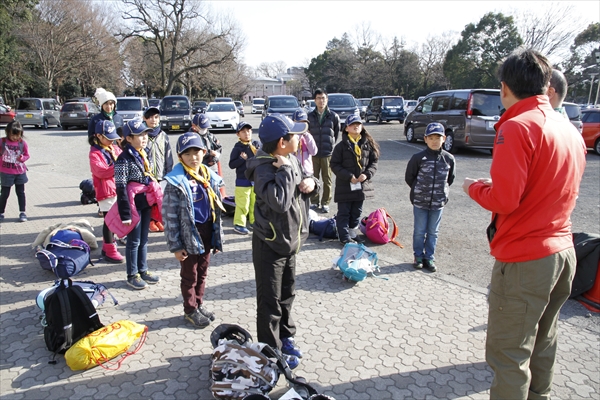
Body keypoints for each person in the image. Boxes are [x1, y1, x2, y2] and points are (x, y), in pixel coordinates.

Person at [462, 49, 586, 400]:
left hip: (526, 259)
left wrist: (473, 187)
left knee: (508, 353)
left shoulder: (517, 127)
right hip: (562, 251)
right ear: (547, 85)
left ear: (504, 88)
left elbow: (504, 199)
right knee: (543, 340)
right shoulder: (568, 128)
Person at [245, 113, 320, 370]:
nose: (300, 138)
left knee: (287, 294)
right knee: (270, 302)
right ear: (282, 141)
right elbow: (279, 202)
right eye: (295, 135)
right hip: (270, 244)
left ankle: (285, 337)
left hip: (291, 241)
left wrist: (313, 182)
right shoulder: (264, 167)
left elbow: (303, 186)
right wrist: (288, 171)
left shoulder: (288, 160)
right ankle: (270, 352)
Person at [163, 132, 224, 328]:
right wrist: (175, 245)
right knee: (190, 275)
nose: (193, 157)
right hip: (188, 233)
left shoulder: (208, 175)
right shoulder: (175, 182)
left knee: (203, 272)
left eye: (196, 152)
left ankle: (198, 303)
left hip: (207, 230)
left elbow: (216, 208)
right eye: (187, 154)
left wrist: (216, 237)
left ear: (204, 152)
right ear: (180, 157)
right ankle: (189, 309)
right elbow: (170, 215)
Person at [114, 120, 163, 290]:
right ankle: (132, 274)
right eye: (140, 135)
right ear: (128, 138)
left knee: (144, 239)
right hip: (133, 206)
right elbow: (120, 187)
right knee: (133, 241)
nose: (144, 138)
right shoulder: (123, 158)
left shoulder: (144, 153)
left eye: (145, 134)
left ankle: (143, 270)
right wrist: (125, 214)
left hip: (146, 203)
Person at [405, 122, 455, 272]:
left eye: (438, 138)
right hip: (420, 202)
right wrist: (419, 191)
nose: (434, 141)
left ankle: (429, 257)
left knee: (433, 232)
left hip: (438, 203)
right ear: (425, 139)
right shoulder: (418, 158)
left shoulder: (448, 159)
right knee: (420, 231)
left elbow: (450, 179)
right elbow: (410, 177)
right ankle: (418, 256)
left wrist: (442, 194)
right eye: (431, 138)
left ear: (444, 139)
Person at [330, 115, 379, 244]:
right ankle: (344, 236)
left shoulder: (368, 145)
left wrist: (367, 174)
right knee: (344, 211)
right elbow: (334, 165)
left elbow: (374, 163)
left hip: (361, 186)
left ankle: (353, 233)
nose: (356, 126)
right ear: (346, 128)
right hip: (345, 185)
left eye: (358, 124)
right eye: (352, 124)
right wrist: (349, 176)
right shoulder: (340, 146)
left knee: (356, 211)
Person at [89, 120, 124, 263]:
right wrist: (119, 167)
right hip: (105, 191)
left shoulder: (114, 148)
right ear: (98, 136)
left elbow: (123, 157)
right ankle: (110, 250)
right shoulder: (95, 153)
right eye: (108, 138)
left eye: (112, 138)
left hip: (116, 189)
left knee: (115, 219)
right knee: (109, 222)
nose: (111, 141)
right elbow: (101, 171)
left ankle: (108, 245)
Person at [307, 88, 340, 214]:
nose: (321, 101)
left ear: (327, 99)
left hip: (327, 153)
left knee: (327, 179)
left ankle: (325, 202)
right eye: (319, 98)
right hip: (313, 154)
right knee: (313, 178)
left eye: (324, 98)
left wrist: (330, 145)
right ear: (315, 100)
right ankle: (314, 202)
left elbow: (335, 134)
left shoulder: (333, 116)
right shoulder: (310, 116)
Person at [144, 106, 174, 232]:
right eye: (150, 117)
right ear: (144, 119)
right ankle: (150, 220)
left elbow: (168, 155)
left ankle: (158, 220)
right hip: (148, 175)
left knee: (160, 198)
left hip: (161, 173)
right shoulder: (143, 135)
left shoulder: (163, 135)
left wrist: (168, 173)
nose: (153, 120)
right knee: (149, 199)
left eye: (156, 117)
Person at [228, 121, 259, 235]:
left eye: (249, 131)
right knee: (242, 204)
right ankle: (239, 224)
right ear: (238, 134)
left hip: (255, 180)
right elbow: (231, 165)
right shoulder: (237, 148)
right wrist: (241, 159)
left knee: (254, 203)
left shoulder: (256, 144)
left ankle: (254, 222)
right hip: (242, 180)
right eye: (243, 132)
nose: (247, 134)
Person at [0, 121, 29, 222]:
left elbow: (27, 155)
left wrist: (22, 158)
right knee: (4, 193)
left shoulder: (22, 143)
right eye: (13, 135)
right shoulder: (2, 141)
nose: (15, 138)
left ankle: (22, 212)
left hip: (20, 172)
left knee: (20, 192)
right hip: (6, 172)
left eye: (18, 135)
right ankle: (1, 212)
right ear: (7, 132)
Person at [292, 110, 318, 175]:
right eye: (299, 123)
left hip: (307, 172)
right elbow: (290, 153)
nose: (302, 125)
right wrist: (296, 137)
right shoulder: (291, 137)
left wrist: (306, 136)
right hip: (294, 172)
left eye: (304, 123)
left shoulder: (308, 136)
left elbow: (314, 152)